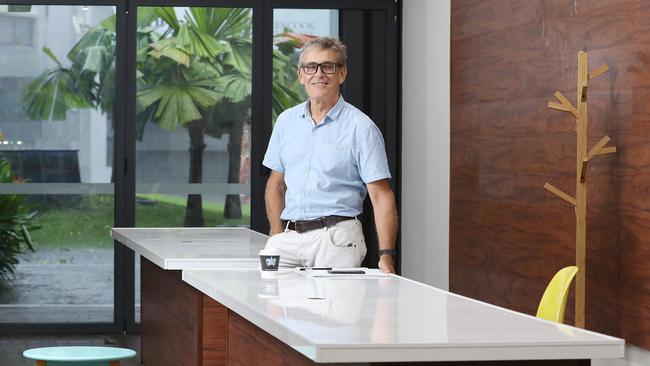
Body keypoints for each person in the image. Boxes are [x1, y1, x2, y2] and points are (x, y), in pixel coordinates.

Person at [262, 37, 397, 274]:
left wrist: (386, 255)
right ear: (301, 75)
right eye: (311, 67)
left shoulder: (361, 127)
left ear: (342, 74)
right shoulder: (286, 121)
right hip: (289, 238)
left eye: (328, 66)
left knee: (332, 310)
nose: (319, 74)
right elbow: (276, 183)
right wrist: (275, 232)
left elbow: (381, 195)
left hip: (336, 239)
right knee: (269, 303)